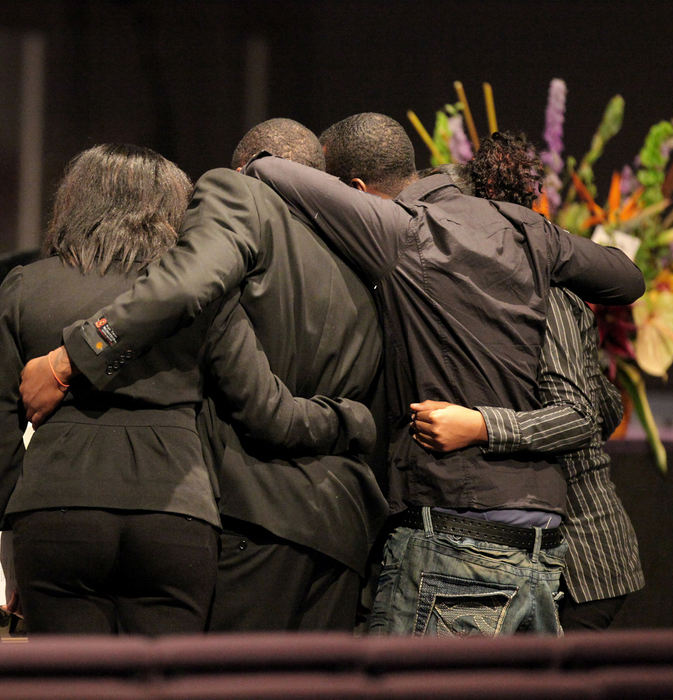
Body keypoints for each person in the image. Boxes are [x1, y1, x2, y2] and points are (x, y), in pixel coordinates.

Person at [244, 113, 645, 635]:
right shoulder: (527, 231)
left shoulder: (402, 230)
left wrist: (253, 164)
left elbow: (272, 168)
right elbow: (626, 279)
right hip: (539, 544)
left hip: (461, 534)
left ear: (359, 194)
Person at [0, 143, 375, 636]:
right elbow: (267, 413)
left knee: (70, 690)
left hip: (57, 516)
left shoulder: (24, 287)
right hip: (176, 518)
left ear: (72, 204)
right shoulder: (202, 301)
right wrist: (351, 417)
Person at [409, 132, 644, 631]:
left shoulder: (545, 293)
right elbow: (601, 403)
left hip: (582, 560)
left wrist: (480, 425)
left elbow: (583, 415)